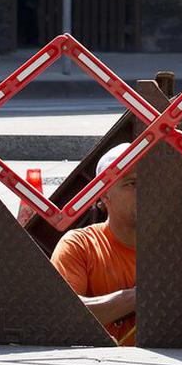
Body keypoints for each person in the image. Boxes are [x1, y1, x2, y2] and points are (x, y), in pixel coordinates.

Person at [50, 144, 138, 344]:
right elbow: (60, 314)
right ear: (103, 195)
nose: (148, 191)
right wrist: (137, 298)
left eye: (153, 182)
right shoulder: (80, 245)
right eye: (132, 183)